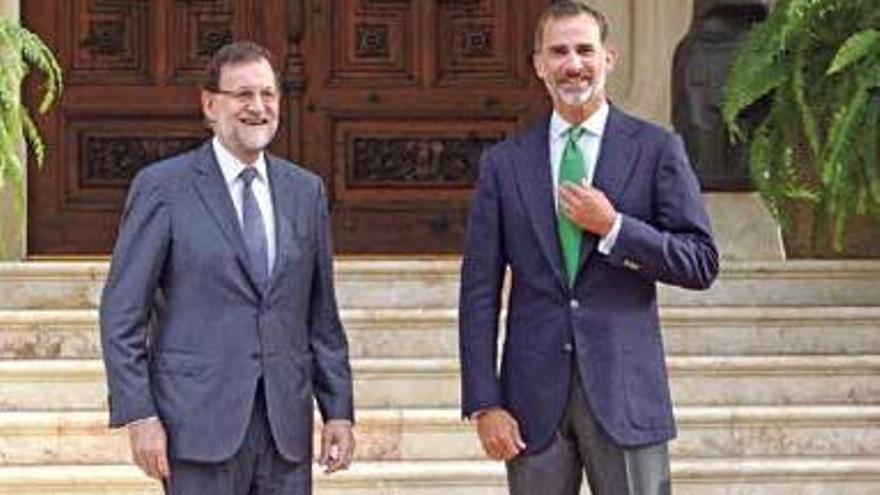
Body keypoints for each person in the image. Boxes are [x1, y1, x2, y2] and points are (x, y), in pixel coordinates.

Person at [458, 2, 719, 494]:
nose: (572, 64)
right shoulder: (505, 164)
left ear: (609, 59)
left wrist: (616, 227)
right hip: (532, 403)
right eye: (558, 52)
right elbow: (478, 292)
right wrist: (485, 401)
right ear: (539, 65)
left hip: (625, 394)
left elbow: (700, 261)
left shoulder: (656, 149)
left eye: (584, 50)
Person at [100, 41, 354, 495]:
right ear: (210, 104)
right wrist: (139, 415)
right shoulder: (163, 188)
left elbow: (320, 316)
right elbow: (122, 314)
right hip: (195, 426)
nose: (258, 107)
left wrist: (338, 411)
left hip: (284, 430)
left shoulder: (305, 192)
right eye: (243, 95)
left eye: (268, 95)